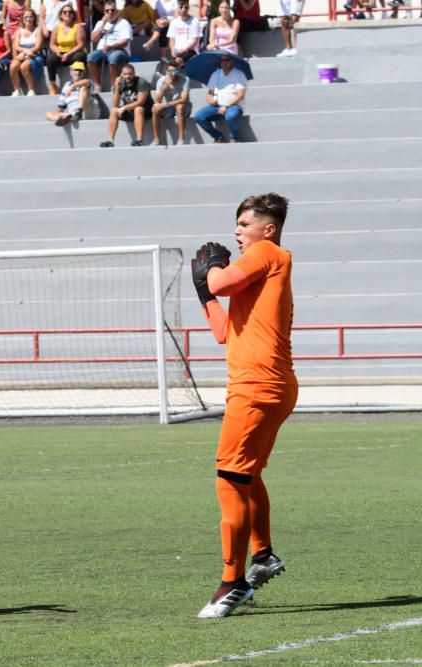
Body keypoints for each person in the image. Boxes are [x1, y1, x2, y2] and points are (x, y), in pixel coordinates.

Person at [191, 193, 297, 618]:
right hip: (267, 385)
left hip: (257, 386)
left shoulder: (268, 252)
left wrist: (210, 276)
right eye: (236, 225)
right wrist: (205, 293)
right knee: (246, 475)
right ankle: (263, 555)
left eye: (244, 225)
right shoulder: (260, 269)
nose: (236, 232)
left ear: (267, 229)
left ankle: (232, 583)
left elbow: (222, 281)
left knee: (229, 479)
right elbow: (223, 331)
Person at [193, 53, 246, 143]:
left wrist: (226, 106)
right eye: (222, 60)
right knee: (199, 116)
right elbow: (210, 93)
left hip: (233, 106)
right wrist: (210, 100)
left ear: (232, 61)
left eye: (227, 60)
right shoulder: (215, 74)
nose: (224, 62)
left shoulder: (238, 74)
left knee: (231, 116)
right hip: (217, 106)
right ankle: (218, 137)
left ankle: (234, 137)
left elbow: (240, 95)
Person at [100, 63, 152, 147]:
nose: (127, 76)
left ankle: (139, 140)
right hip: (129, 110)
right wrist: (116, 86)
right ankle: (110, 141)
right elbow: (115, 104)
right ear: (122, 74)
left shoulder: (141, 82)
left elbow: (140, 102)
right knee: (114, 110)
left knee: (138, 109)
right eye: (125, 74)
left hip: (145, 111)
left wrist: (124, 107)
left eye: (130, 74)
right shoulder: (121, 83)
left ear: (134, 74)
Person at [87, 0, 131, 92]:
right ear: (104, 12)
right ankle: (97, 85)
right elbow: (93, 39)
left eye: (112, 10)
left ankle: (113, 86)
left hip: (120, 50)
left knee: (114, 57)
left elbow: (125, 42)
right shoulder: (100, 23)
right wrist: (103, 24)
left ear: (117, 12)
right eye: (107, 11)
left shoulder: (124, 23)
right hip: (102, 51)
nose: (110, 12)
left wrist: (112, 46)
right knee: (90, 57)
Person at [45, 5, 84, 96]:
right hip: (61, 53)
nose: (67, 14)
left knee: (78, 57)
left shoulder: (77, 27)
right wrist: (57, 51)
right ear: (61, 15)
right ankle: (53, 85)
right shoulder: (57, 28)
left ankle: (77, 83)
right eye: (65, 12)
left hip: (74, 52)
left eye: (70, 12)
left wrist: (68, 54)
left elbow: (81, 44)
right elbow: (52, 44)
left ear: (73, 15)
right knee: (50, 59)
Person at [151, 56, 190, 145]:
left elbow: (183, 99)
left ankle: (181, 139)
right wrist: (164, 87)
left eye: (175, 71)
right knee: (154, 108)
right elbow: (157, 100)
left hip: (184, 108)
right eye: (170, 71)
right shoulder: (161, 81)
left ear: (178, 71)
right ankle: (156, 139)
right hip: (169, 109)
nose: (173, 74)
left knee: (179, 107)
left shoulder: (185, 79)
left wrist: (165, 105)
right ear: (166, 72)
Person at [46, 59, 94, 124]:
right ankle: (64, 118)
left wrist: (71, 87)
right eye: (76, 70)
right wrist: (58, 114)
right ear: (71, 72)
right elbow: (61, 107)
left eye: (80, 70)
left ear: (83, 73)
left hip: (87, 112)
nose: (78, 72)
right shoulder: (66, 85)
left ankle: (78, 113)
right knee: (49, 114)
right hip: (72, 114)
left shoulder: (88, 81)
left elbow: (86, 82)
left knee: (83, 89)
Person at [9, 9, 43, 97]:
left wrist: (28, 52)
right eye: (26, 17)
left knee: (24, 66)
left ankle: (31, 90)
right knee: (13, 66)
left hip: (35, 54)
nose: (28, 19)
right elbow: (16, 46)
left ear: (34, 18)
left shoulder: (38, 30)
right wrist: (25, 52)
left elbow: (38, 46)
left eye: (31, 17)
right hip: (22, 54)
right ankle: (16, 90)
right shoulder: (19, 31)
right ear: (22, 19)